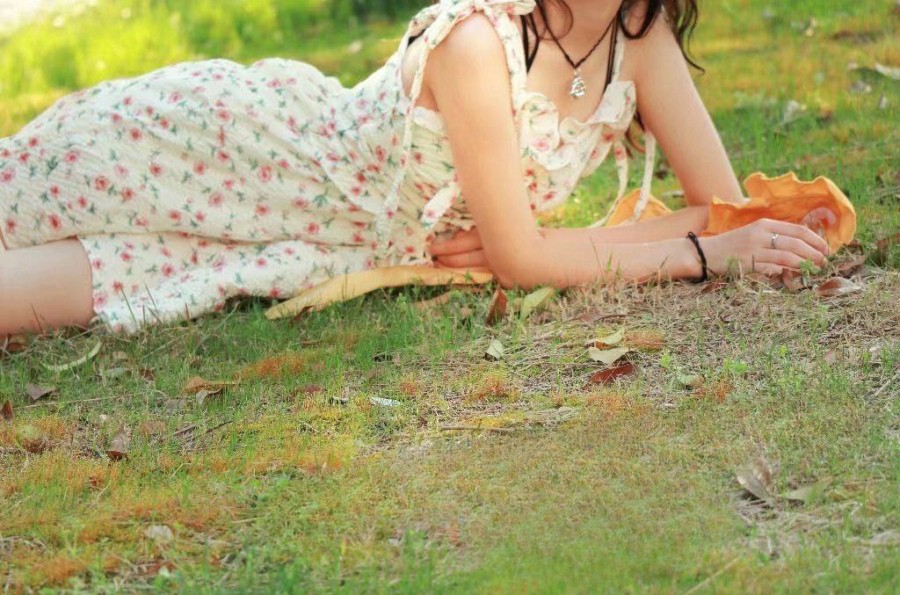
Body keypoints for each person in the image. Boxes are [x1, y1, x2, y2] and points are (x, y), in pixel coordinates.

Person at [0, 0, 830, 336]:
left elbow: (721, 209)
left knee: (31, 300)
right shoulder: (477, 41)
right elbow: (526, 258)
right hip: (245, 156)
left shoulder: (639, 39)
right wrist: (698, 255)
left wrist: (714, 235)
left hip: (323, 247)